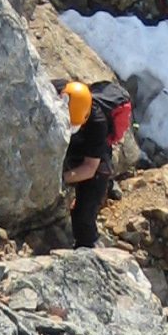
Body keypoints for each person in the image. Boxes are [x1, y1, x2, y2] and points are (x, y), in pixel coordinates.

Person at [62, 79, 113, 247]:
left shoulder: (97, 123)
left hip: (93, 158)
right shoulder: (57, 91)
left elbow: (90, 168)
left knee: (84, 215)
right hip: (71, 147)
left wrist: (62, 179)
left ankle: (88, 244)